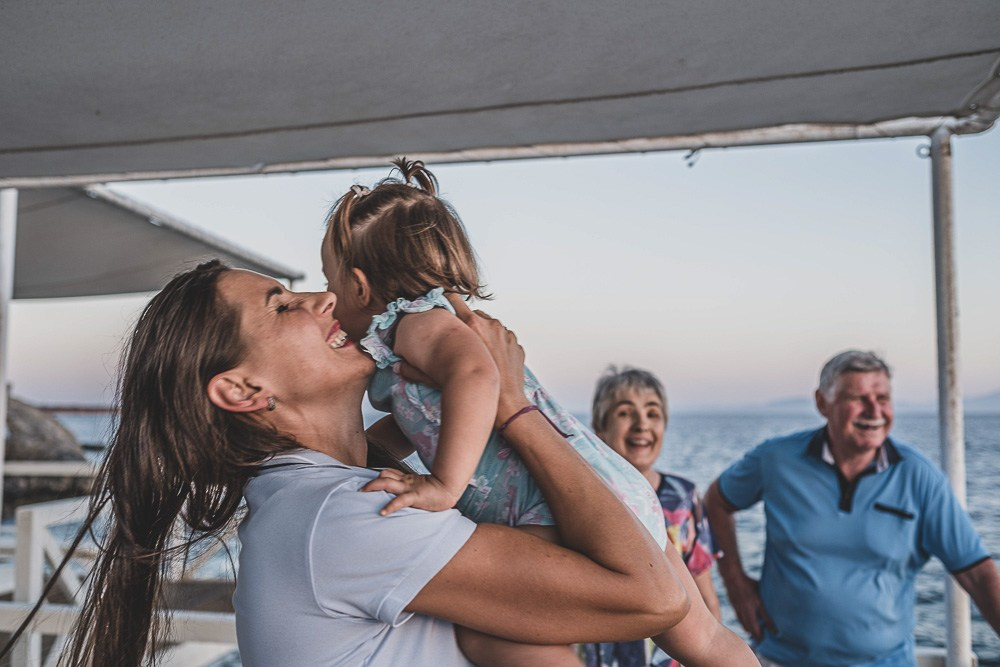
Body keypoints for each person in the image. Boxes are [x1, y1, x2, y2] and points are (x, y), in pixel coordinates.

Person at [25, 261, 757, 667]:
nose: (321, 298)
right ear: (244, 391)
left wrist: (442, 404)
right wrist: (514, 409)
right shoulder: (348, 514)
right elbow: (651, 597)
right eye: (281, 306)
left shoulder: (314, 499)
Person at [322, 158, 755, 665]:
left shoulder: (416, 323)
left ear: (359, 285)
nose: (326, 298)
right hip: (605, 490)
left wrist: (443, 486)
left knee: (491, 633)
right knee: (703, 639)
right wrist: (361, 452)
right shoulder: (423, 333)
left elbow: (476, 377)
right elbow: (422, 418)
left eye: (329, 280)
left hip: (543, 503)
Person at [705, 350, 1000, 667]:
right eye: (858, 398)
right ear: (823, 403)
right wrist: (735, 583)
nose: (874, 411)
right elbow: (716, 501)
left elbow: (977, 574)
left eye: (882, 398)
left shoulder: (918, 477)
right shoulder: (776, 459)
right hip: (779, 658)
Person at [584, 366, 722, 667]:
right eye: (624, 413)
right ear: (599, 427)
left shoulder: (683, 497)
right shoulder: (582, 497)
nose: (642, 424)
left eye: (653, 413)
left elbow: (706, 597)